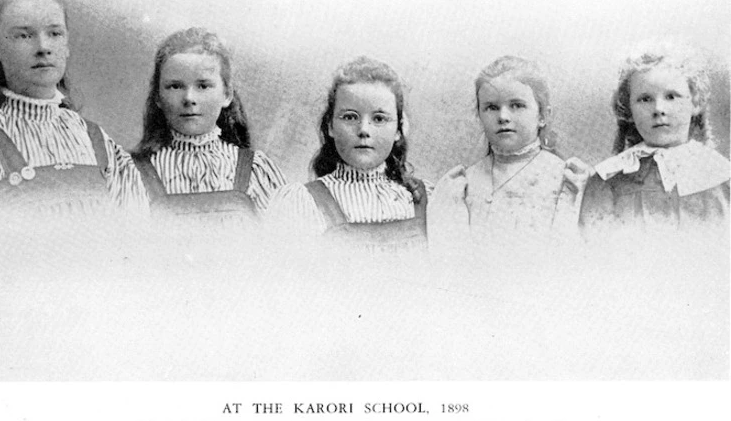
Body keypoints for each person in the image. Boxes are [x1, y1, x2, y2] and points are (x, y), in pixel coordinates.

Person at [0, 0, 147, 226]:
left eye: (54, 33)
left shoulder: (99, 143)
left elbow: (137, 241)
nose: (43, 47)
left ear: (67, 44)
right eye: (23, 36)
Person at [265, 56, 428, 252]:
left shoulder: (425, 200)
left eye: (379, 118)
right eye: (350, 117)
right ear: (331, 126)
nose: (363, 130)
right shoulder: (303, 203)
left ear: (398, 130)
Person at [132, 27, 286, 229]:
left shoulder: (256, 171)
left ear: (227, 95)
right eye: (175, 86)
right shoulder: (132, 173)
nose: (189, 98)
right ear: (157, 97)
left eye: (203, 86)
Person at [428, 56, 581, 254]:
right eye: (491, 108)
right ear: (480, 115)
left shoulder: (566, 180)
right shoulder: (462, 185)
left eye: (517, 105)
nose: (503, 117)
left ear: (543, 116)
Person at [579, 45, 729, 235]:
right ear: (628, 110)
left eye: (671, 96)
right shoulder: (608, 181)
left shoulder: (720, 176)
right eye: (645, 99)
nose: (658, 109)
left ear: (695, 103)